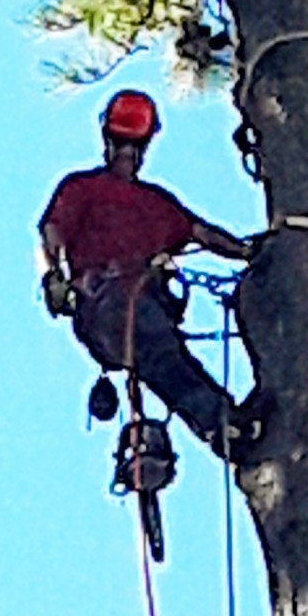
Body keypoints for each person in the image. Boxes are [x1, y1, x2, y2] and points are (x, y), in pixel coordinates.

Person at [38, 90, 252, 449]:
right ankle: (220, 423)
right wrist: (53, 277)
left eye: (129, 144)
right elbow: (51, 233)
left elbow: (204, 234)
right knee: (162, 355)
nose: (125, 152)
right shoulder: (84, 189)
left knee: (167, 356)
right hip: (106, 303)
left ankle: (224, 421)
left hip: (144, 303)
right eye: (122, 143)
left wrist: (248, 251)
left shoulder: (157, 204)